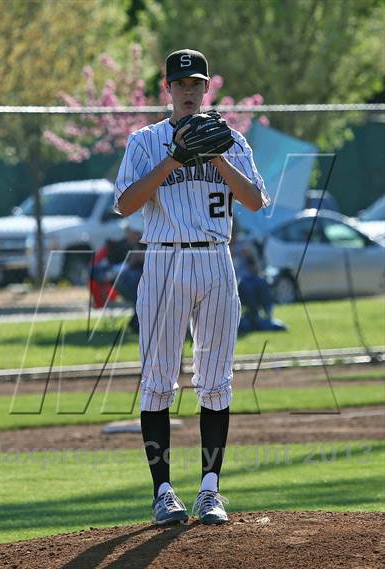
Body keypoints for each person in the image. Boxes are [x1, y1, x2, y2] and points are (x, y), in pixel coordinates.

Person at [114, 48, 270, 526]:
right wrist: (175, 160)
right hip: (163, 260)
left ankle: (209, 490)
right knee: (158, 381)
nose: (187, 91)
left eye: (195, 83)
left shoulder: (232, 140)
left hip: (217, 261)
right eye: (180, 83)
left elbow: (255, 201)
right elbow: (125, 204)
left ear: (206, 89)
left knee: (216, 381)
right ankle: (163, 491)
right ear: (167, 88)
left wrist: (217, 154)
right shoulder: (145, 141)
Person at [89, 213, 145, 332]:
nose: (135, 235)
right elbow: (102, 269)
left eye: (137, 232)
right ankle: (138, 321)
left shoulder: (147, 246)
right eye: (131, 231)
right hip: (122, 282)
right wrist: (130, 262)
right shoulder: (118, 247)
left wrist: (144, 257)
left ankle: (139, 321)